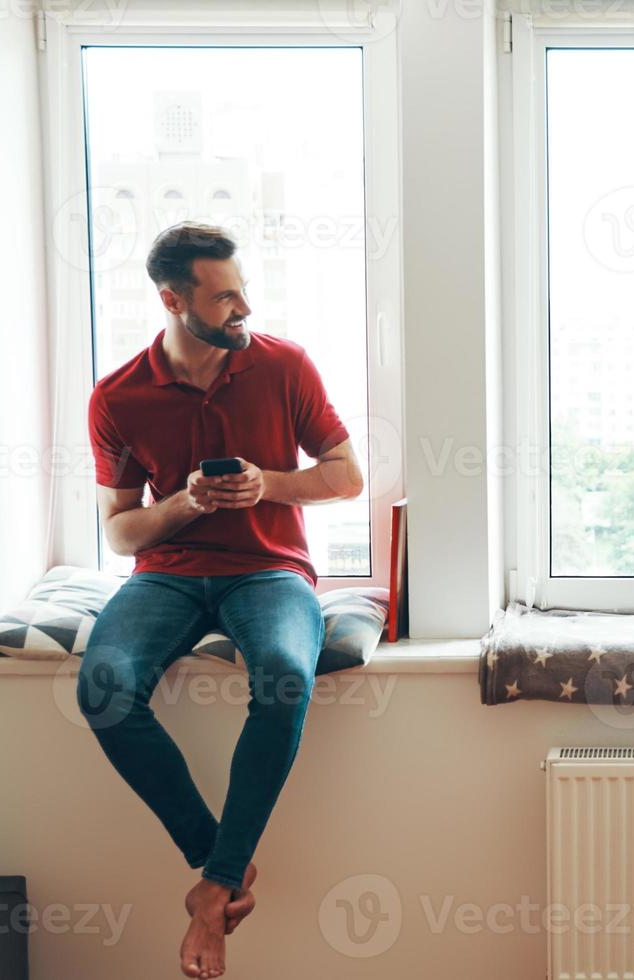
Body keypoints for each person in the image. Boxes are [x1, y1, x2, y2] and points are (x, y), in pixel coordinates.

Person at [79, 222, 365, 978]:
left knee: (283, 678)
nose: (243, 307)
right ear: (174, 301)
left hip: (270, 571)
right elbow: (120, 531)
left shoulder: (284, 365)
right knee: (104, 690)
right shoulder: (117, 396)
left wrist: (267, 484)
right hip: (166, 575)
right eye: (225, 296)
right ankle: (220, 868)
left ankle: (212, 888)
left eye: (243, 291)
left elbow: (346, 476)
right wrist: (186, 503)